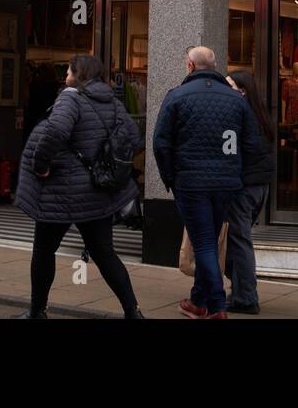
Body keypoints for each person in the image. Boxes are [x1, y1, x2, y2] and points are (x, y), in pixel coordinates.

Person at [14, 54, 143, 319]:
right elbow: (133, 136)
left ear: (79, 73)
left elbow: (56, 132)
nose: (65, 76)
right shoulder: (112, 102)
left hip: (62, 193)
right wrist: (102, 160)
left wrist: (40, 165)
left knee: (43, 250)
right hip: (98, 191)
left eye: (69, 71)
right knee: (104, 252)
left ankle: (37, 311)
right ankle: (133, 312)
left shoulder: (70, 97)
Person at [153, 46, 263, 319]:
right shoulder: (236, 100)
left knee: (203, 244)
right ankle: (198, 300)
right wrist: (236, 173)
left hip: (191, 183)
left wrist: (171, 178)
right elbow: (251, 144)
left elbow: (161, 143)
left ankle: (216, 307)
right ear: (215, 66)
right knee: (208, 241)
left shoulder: (177, 96)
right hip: (226, 184)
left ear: (190, 66)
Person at [224, 70, 273, 315]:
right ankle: (240, 291)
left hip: (243, 187)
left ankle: (245, 297)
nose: (225, 90)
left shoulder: (239, 115)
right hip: (258, 186)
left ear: (242, 90)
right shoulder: (259, 114)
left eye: (229, 85)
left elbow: (233, 153)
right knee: (238, 239)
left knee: (239, 240)